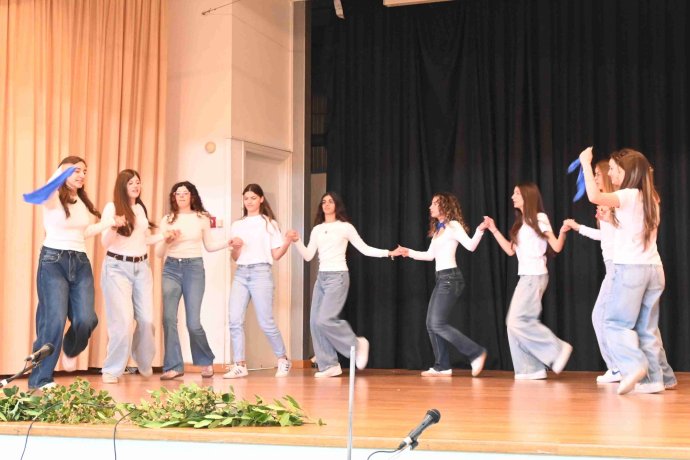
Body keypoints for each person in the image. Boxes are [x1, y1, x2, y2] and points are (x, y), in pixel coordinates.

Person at [579, 147, 672, 394]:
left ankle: (633, 366)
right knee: (646, 329)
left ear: (626, 171)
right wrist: (610, 221)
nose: (609, 173)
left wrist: (585, 163)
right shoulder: (650, 197)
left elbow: (594, 196)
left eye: (612, 169)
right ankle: (654, 380)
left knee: (614, 324)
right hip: (654, 269)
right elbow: (634, 229)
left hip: (632, 269)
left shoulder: (628, 194)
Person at [288, 192, 403, 378]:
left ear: (337, 205)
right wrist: (297, 241)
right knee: (315, 322)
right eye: (323, 202)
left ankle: (357, 344)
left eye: (330, 201)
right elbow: (308, 256)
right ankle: (329, 365)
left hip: (338, 276)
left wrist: (388, 253)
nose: (326, 204)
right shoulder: (317, 229)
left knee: (325, 319)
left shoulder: (345, 227)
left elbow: (364, 249)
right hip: (322, 278)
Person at [28, 157, 116, 390]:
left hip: (80, 262)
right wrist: (62, 171)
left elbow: (83, 232)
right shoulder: (52, 198)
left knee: (86, 319)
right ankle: (41, 379)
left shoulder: (82, 202)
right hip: (53, 262)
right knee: (53, 321)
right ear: (63, 173)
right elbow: (45, 190)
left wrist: (108, 223)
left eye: (84, 171)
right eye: (76, 171)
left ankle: (70, 348)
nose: (81, 175)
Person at [484, 182, 572, 380]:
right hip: (526, 276)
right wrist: (494, 229)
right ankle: (530, 369)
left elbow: (556, 246)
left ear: (527, 196)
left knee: (516, 321)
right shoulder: (521, 223)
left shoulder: (539, 218)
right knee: (514, 325)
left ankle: (557, 350)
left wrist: (563, 232)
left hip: (535, 276)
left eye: (516, 193)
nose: (512, 196)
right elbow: (510, 250)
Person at [398, 193, 488, 377]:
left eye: (434, 203)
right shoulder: (439, 229)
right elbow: (430, 255)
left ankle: (476, 352)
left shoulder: (453, 226)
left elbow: (471, 246)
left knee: (437, 323)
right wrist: (408, 252)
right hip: (442, 278)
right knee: (431, 324)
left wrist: (480, 230)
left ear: (444, 206)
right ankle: (442, 366)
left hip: (450, 278)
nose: (430, 206)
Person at [156, 181, 232, 380]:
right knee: (168, 319)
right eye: (177, 193)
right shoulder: (167, 220)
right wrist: (167, 240)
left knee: (193, 322)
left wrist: (228, 242)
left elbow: (209, 246)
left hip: (194, 269)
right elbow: (159, 253)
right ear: (173, 197)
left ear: (192, 196)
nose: (181, 196)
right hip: (171, 268)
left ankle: (205, 360)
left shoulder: (201, 218)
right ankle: (174, 366)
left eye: (185, 193)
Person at [100, 169, 168, 384]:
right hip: (116, 268)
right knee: (123, 321)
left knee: (147, 320)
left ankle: (143, 360)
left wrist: (164, 236)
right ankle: (111, 369)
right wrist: (114, 226)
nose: (136, 186)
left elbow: (143, 240)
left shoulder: (140, 208)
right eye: (131, 183)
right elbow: (105, 242)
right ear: (122, 186)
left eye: (138, 182)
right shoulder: (112, 208)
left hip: (142, 268)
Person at [224, 184, 292, 379]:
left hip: (261, 273)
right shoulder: (237, 225)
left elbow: (276, 254)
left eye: (253, 198)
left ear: (261, 199)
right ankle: (239, 364)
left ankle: (283, 359)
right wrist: (236, 247)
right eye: (246, 198)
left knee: (266, 321)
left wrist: (287, 241)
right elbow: (235, 257)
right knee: (234, 320)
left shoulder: (269, 223)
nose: (249, 201)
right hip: (241, 273)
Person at [563, 160, 620, 383]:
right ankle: (622, 367)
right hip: (613, 266)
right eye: (593, 174)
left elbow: (622, 233)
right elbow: (605, 237)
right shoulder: (608, 202)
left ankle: (616, 367)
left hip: (617, 266)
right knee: (612, 319)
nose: (595, 178)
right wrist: (579, 228)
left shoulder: (612, 202)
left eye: (597, 174)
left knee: (600, 316)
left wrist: (609, 218)